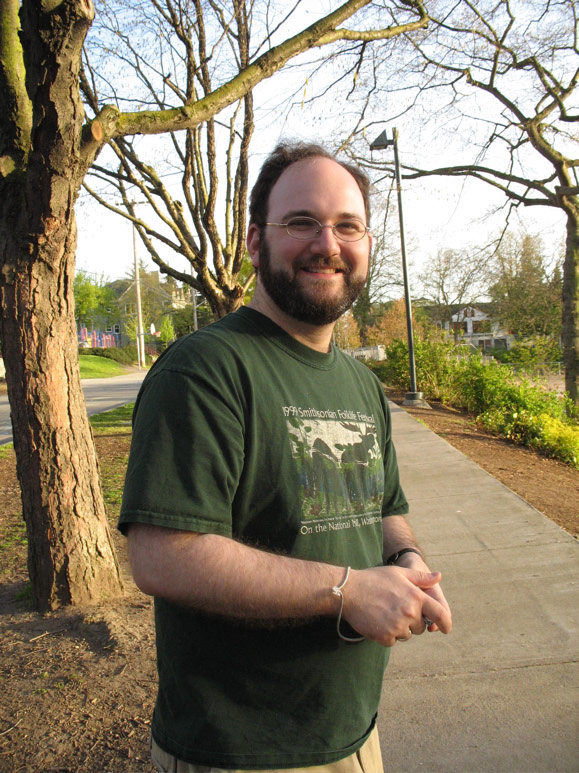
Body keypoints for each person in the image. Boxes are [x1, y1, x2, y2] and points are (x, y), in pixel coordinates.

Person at [119, 141, 452, 773]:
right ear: (255, 240)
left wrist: (406, 561)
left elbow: (385, 508)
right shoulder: (207, 370)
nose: (327, 243)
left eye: (347, 225)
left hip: (353, 734)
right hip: (241, 751)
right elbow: (163, 555)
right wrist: (347, 589)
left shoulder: (359, 384)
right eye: (301, 222)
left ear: (367, 243)